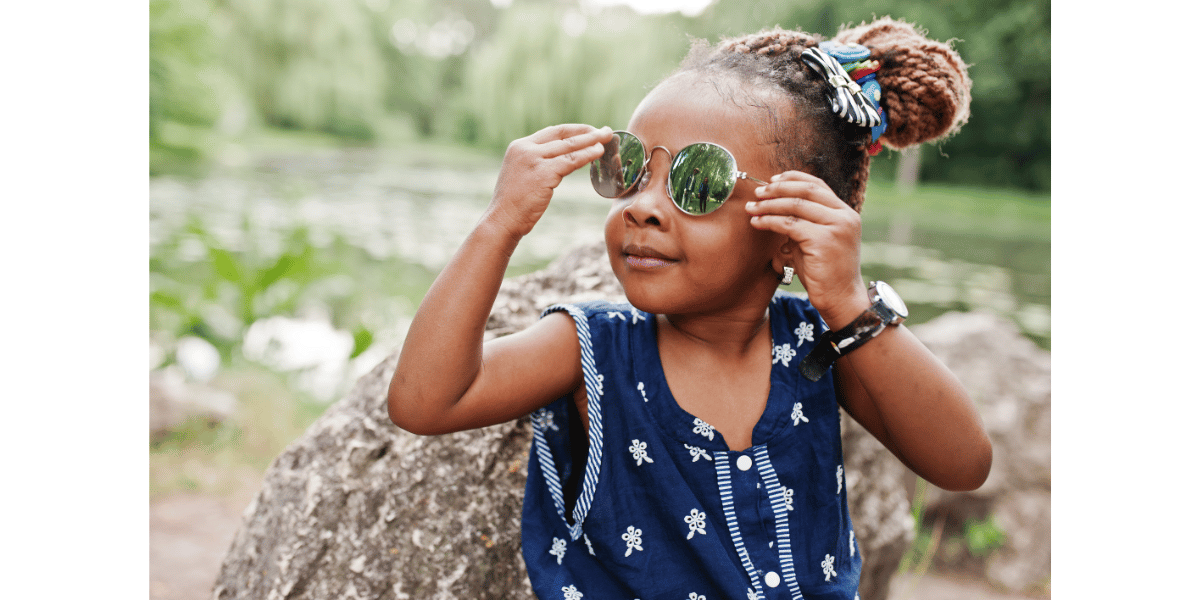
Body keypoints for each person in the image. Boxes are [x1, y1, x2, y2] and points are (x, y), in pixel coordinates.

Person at [388, 17, 991, 600]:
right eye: (628, 169)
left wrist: (850, 307)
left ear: (792, 230)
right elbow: (426, 400)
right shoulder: (594, 349)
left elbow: (962, 463)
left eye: (697, 182)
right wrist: (500, 223)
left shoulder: (823, 349)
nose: (643, 207)